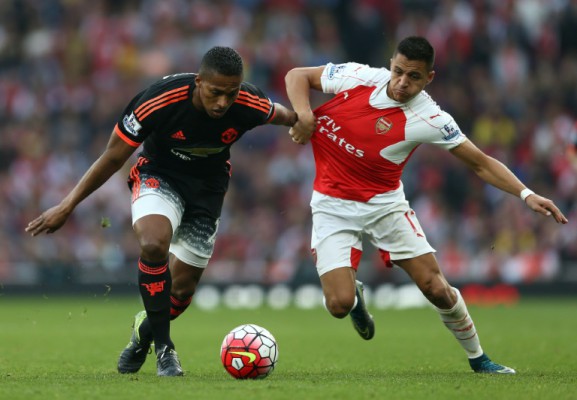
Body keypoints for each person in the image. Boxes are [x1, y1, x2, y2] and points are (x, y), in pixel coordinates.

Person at [284, 36, 568, 374]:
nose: (403, 82)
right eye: (399, 71)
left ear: (429, 78)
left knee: (437, 288)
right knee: (338, 304)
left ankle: (480, 360)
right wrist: (304, 114)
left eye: (414, 76)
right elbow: (296, 75)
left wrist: (526, 194)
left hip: (385, 206)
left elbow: (480, 162)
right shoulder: (358, 76)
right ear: (391, 64)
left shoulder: (431, 118)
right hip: (332, 205)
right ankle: (356, 297)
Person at [25, 46, 298, 377]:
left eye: (231, 93)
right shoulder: (160, 100)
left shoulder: (248, 103)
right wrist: (67, 206)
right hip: (158, 176)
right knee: (154, 243)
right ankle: (165, 350)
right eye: (215, 92)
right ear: (199, 82)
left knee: (180, 292)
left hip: (208, 191)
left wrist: (304, 121)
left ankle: (144, 332)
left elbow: (285, 115)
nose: (223, 102)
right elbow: (113, 156)